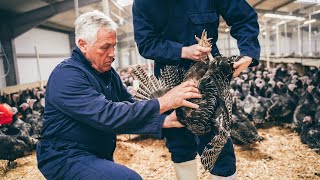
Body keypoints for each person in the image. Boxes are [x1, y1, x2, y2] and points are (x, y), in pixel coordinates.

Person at [36, 10, 202, 180]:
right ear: (83, 45)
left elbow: (127, 105)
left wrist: (163, 121)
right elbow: (109, 114)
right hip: (64, 156)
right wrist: (165, 101)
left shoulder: (106, 73)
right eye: (105, 47)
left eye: (114, 46)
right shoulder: (67, 76)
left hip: (92, 153)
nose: (112, 53)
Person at [132, 1, 261, 179]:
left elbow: (244, 17)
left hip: (208, 71)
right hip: (169, 73)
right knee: (179, 141)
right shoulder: (144, 3)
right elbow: (146, 43)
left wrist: (248, 53)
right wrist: (183, 51)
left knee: (218, 140)